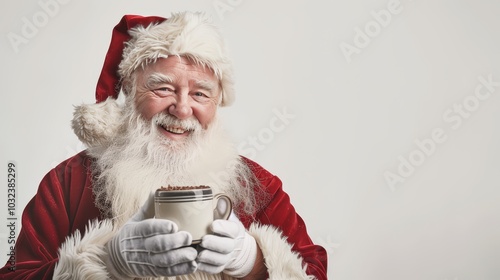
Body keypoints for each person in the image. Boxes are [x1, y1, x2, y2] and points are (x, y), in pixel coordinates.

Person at [0, 11, 327, 280]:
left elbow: (314, 270)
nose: (182, 109)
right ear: (129, 91)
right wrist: (106, 262)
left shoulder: (258, 184)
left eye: (200, 93)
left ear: (218, 101)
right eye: (163, 89)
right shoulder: (68, 183)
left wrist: (254, 262)